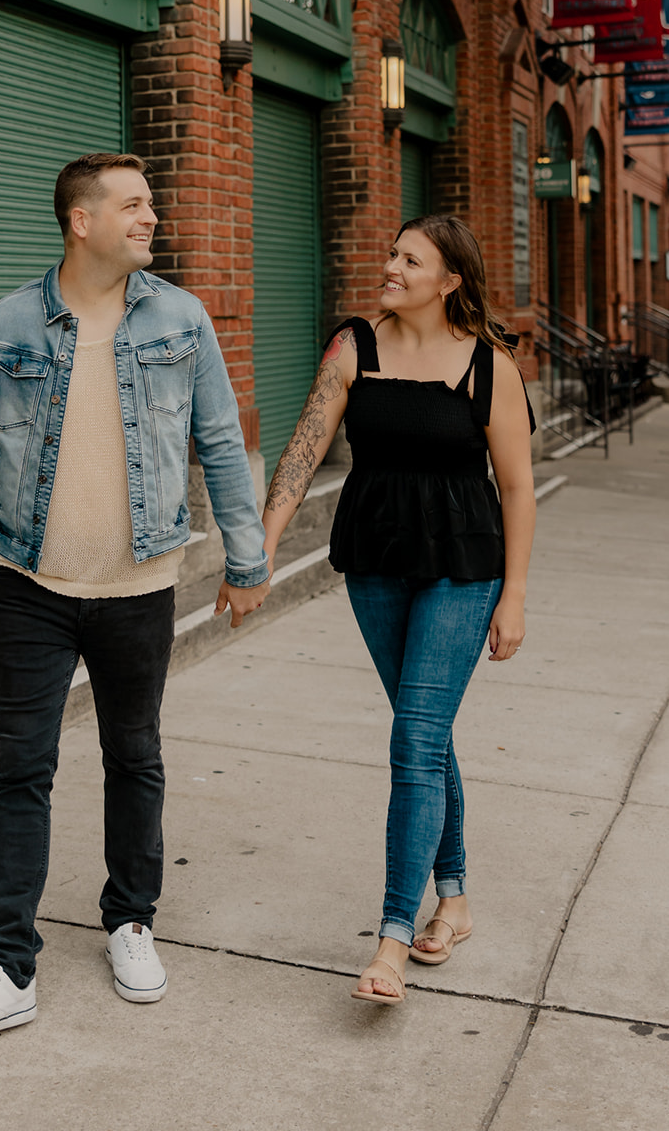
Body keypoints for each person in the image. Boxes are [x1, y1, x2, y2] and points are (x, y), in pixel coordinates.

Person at [0, 152, 270, 1043]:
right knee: (22, 769)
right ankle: (8, 966)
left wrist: (247, 556)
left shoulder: (182, 318)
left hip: (138, 588)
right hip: (30, 586)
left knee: (135, 757)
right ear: (81, 221)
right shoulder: (8, 323)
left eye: (150, 203)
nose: (149, 217)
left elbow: (221, 444)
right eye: (132, 205)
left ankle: (130, 920)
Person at [261, 214, 535, 1006]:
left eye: (408, 259)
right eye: (391, 253)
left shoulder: (490, 366)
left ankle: (388, 938)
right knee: (425, 731)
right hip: (377, 561)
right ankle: (452, 897)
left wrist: (513, 596)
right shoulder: (355, 347)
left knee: (414, 737)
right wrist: (264, 543)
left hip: (462, 565)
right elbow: (306, 443)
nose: (388, 266)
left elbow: (515, 488)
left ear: (449, 280)